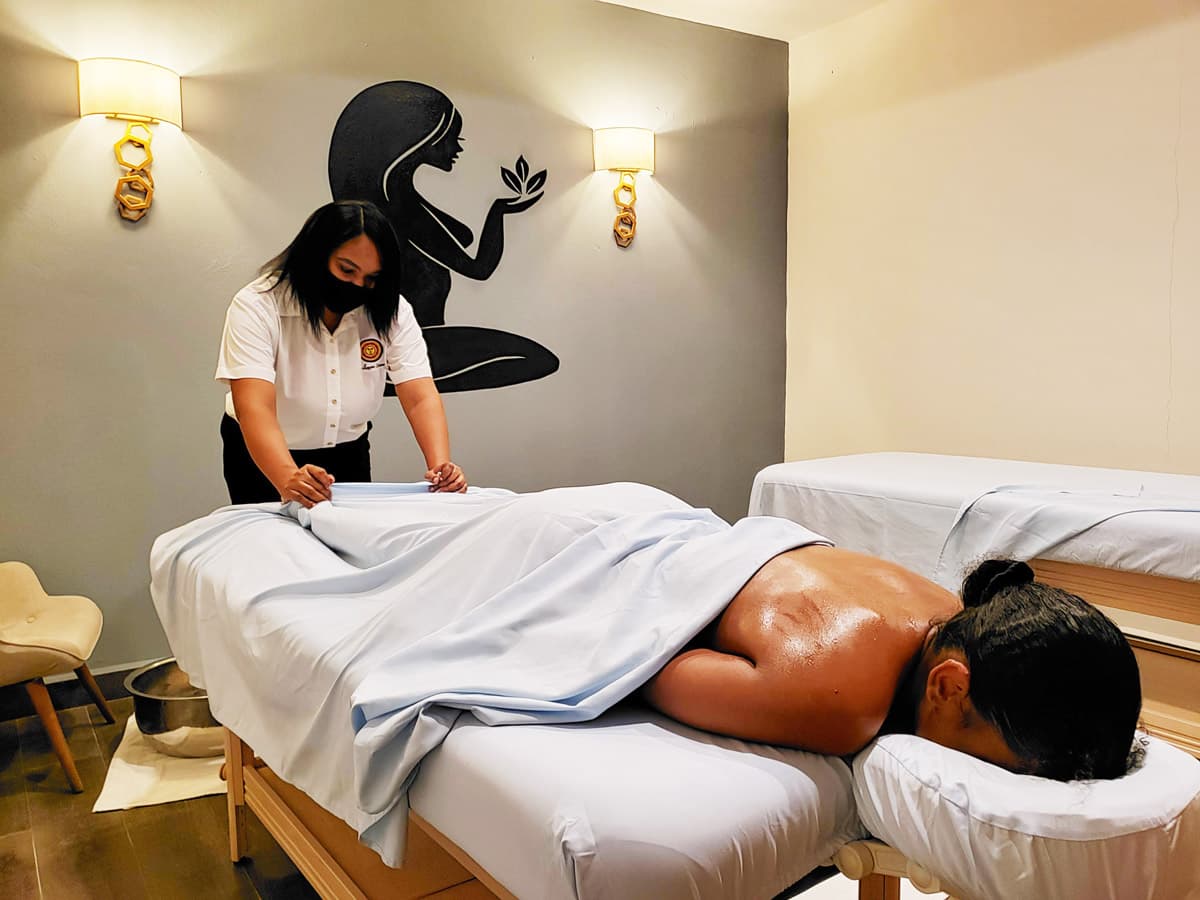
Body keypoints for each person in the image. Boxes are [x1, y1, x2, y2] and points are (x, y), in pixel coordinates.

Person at [645, 552, 1143, 781]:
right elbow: (652, 666)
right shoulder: (840, 705)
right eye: (996, 769)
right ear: (948, 687)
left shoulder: (957, 613)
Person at [215, 200, 466, 508]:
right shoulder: (257, 305)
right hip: (262, 456)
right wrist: (287, 478)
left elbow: (419, 396)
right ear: (315, 256)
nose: (357, 285)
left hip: (348, 453)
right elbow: (255, 408)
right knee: (272, 549)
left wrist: (441, 468)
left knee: (348, 548)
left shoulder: (391, 310)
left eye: (371, 278)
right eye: (347, 270)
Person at [328, 81, 559, 393]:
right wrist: (498, 211)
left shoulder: (401, 202)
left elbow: (457, 238)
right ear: (418, 141)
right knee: (533, 359)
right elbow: (479, 268)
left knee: (535, 359)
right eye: (450, 139)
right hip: (408, 349)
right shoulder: (397, 211)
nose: (457, 149)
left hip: (415, 343)